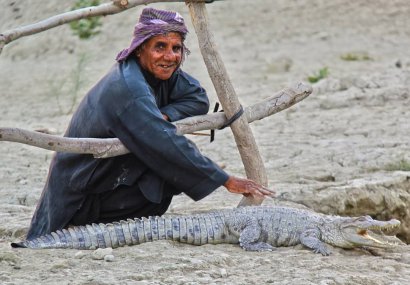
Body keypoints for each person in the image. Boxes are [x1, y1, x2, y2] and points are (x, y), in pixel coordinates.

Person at [25, 7, 274, 240]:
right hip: (83, 194)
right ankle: (80, 226)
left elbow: (196, 98)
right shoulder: (126, 87)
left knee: (164, 179)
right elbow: (164, 141)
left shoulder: (161, 73)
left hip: (111, 176)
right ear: (140, 48)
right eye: (160, 47)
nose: (169, 56)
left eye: (176, 48)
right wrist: (225, 179)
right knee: (168, 161)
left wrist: (163, 115)